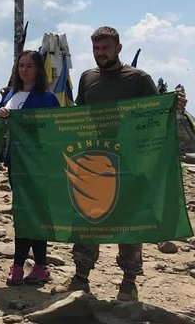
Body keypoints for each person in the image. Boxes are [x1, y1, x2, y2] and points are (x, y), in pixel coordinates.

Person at [55, 26, 167, 302]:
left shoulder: (138, 78)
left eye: (105, 47)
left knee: (130, 222)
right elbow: (81, 115)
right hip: (93, 161)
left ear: (118, 48)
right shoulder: (87, 77)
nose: (100, 53)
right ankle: (81, 278)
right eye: (96, 48)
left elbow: (155, 116)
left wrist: (174, 105)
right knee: (86, 218)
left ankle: (129, 282)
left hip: (129, 163)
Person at [0, 50, 59, 286]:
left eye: (30, 66)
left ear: (39, 69)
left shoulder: (47, 98)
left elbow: (52, 131)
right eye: (21, 65)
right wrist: (1, 114)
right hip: (15, 162)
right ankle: (37, 265)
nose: (24, 70)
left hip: (37, 165)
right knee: (24, 212)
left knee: (33, 212)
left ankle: (22, 265)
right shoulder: (10, 94)